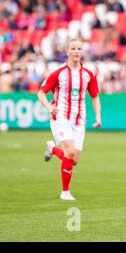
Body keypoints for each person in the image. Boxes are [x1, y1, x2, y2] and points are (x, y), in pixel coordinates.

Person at [37, 38, 102, 201]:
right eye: (73, 48)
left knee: (74, 160)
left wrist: (98, 116)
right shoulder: (59, 73)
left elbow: (95, 96)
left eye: (79, 48)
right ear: (67, 51)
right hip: (61, 116)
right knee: (70, 152)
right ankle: (65, 192)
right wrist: (49, 107)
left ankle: (52, 149)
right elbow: (41, 92)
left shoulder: (88, 75)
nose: (76, 51)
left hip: (79, 119)